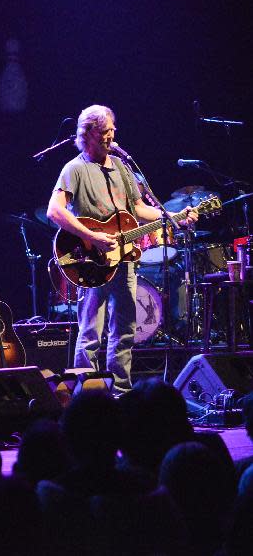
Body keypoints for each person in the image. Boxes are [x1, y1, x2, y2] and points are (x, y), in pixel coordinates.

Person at [46, 106, 197, 392]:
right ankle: (86, 395)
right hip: (90, 261)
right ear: (88, 133)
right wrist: (93, 236)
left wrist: (177, 216)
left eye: (113, 130)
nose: (111, 136)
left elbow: (139, 209)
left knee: (124, 330)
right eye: (105, 131)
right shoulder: (74, 169)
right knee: (91, 332)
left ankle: (121, 392)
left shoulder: (122, 168)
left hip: (123, 260)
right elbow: (55, 211)